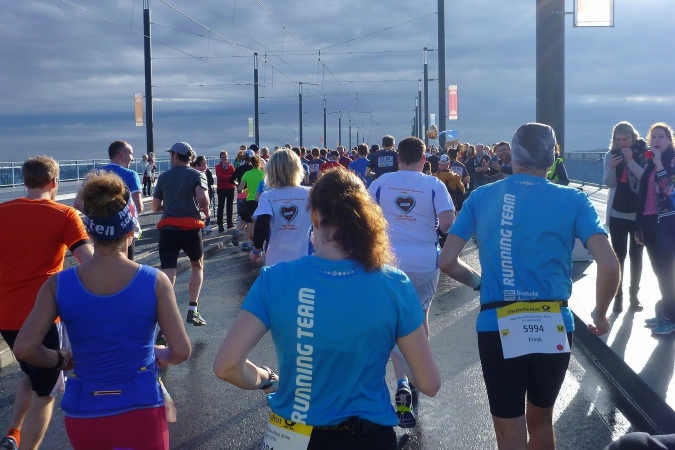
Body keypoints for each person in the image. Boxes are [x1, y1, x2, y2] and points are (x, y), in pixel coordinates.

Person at [213, 169, 440, 450]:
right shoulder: (394, 283)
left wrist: (268, 380)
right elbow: (429, 383)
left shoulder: (275, 279)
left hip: (292, 435)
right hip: (367, 438)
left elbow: (226, 366)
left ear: (314, 217)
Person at [438, 123, 619, 450]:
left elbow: (447, 261)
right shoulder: (573, 199)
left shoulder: (481, 197)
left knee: (509, 432)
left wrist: (479, 283)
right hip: (553, 321)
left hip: (498, 320)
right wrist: (600, 314)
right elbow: (608, 264)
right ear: (552, 158)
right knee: (541, 421)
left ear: (512, 155)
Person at [13, 171, 191, 450]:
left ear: (90, 233)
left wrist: (60, 358)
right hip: (141, 407)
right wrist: (158, 354)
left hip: (84, 410)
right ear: (130, 232)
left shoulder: (58, 285)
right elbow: (181, 351)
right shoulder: (154, 281)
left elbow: (25, 348)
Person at [0, 156, 93, 450]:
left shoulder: (2, 212)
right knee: (46, 392)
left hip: (5, 315)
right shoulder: (64, 214)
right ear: (54, 182)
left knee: (33, 371)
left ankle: (14, 433)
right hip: (41, 317)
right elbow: (89, 263)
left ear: (25, 180)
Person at [368, 136, 454, 428]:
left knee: (391, 319)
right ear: (424, 160)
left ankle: (402, 382)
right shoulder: (434, 184)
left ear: (398, 159)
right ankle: (417, 375)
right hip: (425, 261)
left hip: (389, 259)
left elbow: (365, 218)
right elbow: (447, 224)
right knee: (420, 317)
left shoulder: (381, 182)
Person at [152, 142, 210, 327]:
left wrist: (170, 205)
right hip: (191, 229)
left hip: (168, 230)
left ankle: (166, 317)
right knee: (197, 266)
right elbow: (202, 197)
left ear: (176, 156)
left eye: (171, 155)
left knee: (168, 272)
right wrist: (206, 212)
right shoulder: (197, 174)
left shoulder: (164, 177)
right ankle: (193, 309)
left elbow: (155, 207)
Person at [603, 122, 648, 312]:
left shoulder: (644, 153)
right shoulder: (610, 155)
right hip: (617, 214)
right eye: (618, 139)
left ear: (633, 137)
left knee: (636, 256)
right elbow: (608, 183)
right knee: (618, 256)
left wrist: (630, 161)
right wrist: (612, 168)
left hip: (638, 215)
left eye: (625, 139)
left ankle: (633, 296)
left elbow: (646, 180)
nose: (622, 143)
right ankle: (618, 297)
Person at [74, 140, 143, 260]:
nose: (132, 158)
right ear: (122, 154)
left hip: (99, 232)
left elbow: (77, 203)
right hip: (123, 233)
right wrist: (119, 219)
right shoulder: (131, 175)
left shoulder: (94, 174)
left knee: (100, 265)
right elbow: (138, 207)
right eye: (131, 154)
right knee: (125, 266)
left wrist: (99, 218)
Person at [637, 122, 675, 335]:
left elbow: (670, 190)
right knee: (659, 271)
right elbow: (643, 197)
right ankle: (665, 312)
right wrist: (639, 226)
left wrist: (660, 164)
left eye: (661, 136)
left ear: (670, 140)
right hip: (650, 222)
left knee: (668, 272)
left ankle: (672, 318)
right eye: (653, 137)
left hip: (668, 223)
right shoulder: (649, 163)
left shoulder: (671, 160)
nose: (657, 140)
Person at [248, 149, 312, 266]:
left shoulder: (267, 196)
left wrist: (256, 250)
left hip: (275, 261)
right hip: (304, 260)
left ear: (271, 171)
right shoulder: (310, 193)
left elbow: (262, 223)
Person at [237, 155, 265, 252]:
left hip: (249, 201)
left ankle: (252, 243)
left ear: (251, 163)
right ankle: (257, 243)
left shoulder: (247, 174)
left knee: (252, 222)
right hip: (261, 200)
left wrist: (246, 190)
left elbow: (239, 189)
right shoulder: (263, 174)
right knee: (259, 223)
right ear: (260, 163)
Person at [192, 155, 215, 232]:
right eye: (204, 160)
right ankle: (200, 224)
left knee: (207, 207)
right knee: (198, 209)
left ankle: (207, 224)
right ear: (200, 161)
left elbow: (212, 181)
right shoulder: (195, 170)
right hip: (197, 193)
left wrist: (205, 182)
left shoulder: (207, 170)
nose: (205, 161)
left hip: (208, 191)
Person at [215, 150, 236, 232]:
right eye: (223, 157)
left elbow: (233, 176)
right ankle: (220, 224)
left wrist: (227, 177)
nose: (224, 158)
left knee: (230, 206)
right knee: (221, 206)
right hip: (221, 188)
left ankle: (229, 223)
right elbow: (219, 176)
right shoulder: (217, 167)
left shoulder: (231, 166)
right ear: (220, 158)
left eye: (226, 157)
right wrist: (229, 177)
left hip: (230, 187)